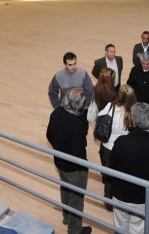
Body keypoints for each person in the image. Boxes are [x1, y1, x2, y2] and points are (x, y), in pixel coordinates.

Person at [109, 103, 149, 234]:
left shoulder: (121, 142)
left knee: (120, 226)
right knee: (138, 228)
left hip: (121, 194)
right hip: (144, 197)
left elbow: (112, 167)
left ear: (133, 122)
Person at [46, 88, 92, 234]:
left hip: (59, 162)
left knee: (64, 188)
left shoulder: (56, 112)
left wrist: (60, 148)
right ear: (78, 106)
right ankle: (74, 230)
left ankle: (66, 217)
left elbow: (48, 135)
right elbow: (78, 154)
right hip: (74, 170)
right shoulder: (76, 126)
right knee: (76, 199)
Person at [98, 85, 136, 209]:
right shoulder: (133, 112)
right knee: (122, 176)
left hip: (108, 147)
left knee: (109, 176)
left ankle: (108, 202)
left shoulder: (111, 106)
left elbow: (100, 115)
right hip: (126, 149)